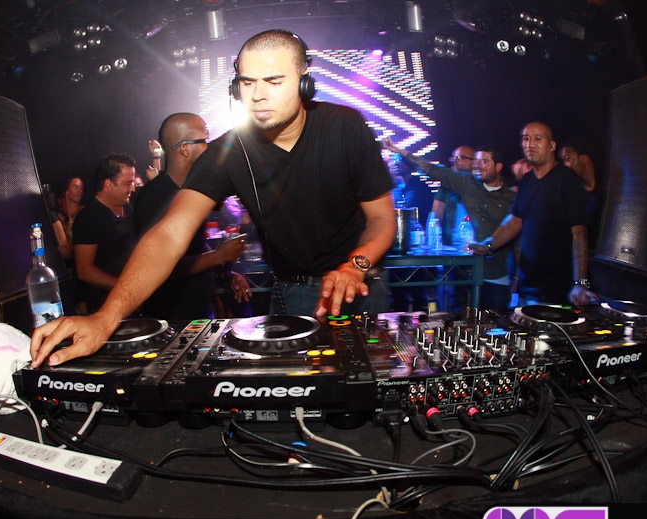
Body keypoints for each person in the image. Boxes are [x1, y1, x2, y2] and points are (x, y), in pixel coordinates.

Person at [31, 29, 395, 367]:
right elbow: (168, 234)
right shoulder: (228, 152)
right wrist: (106, 316)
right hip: (292, 289)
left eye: (273, 81)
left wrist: (355, 265)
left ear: (304, 83)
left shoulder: (344, 127)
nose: (258, 95)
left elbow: (381, 218)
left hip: (360, 285)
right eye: (247, 82)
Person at [133, 112, 251, 319]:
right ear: (185, 149)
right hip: (173, 317)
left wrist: (225, 274)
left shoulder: (191, 193)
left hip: (199, 310)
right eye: (205, 140)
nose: (210, 148)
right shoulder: (155, 196)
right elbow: (158, 264)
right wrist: (219, 256)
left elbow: (194, 250)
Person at [468, 122, 598, 306]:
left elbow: (579, 233)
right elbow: (515, 221)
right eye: (526, 139)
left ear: (552, 146)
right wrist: (488, 246)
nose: (530, 144)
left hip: (556, 290)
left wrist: (580, 283)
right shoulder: (527, 181)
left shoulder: (566, 179)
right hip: (527, 288)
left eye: (538, 139)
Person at [384, 139, 516, 309]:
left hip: (496, 274)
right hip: (467, 272)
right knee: (463, 319)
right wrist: (399, 150)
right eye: (476, 161)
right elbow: (432, 169)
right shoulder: (467, 184)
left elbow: (517, 238)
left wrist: (517, 278)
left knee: (496, 321)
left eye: (485, 161)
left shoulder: (511, 198)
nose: (478, 165)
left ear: (498, 167)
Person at [71, 152, 139, 312]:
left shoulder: (127, 207)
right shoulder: (89, 217)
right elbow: (84, 271)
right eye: (127, 183)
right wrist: (123, 286)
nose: (132, 188)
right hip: (105, 306)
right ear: (108, 184)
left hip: (132, 301)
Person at [559, 138, 603, 252]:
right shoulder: (572, 190)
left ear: (583, 158)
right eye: (563, 161)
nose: (566, 165)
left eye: (568, 159)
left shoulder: (607, 185)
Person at [433, 145, 475, 245]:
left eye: (461, 158)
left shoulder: (481, 185)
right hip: (451, 246)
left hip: (476, 244)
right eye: (454, 158)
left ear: (474, 162)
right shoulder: (446, 185)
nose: (455, 161)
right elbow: (436, 218)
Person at [50, 176, 84, 261]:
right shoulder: (56, 216)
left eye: (81, 188)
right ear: (66, 190)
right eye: (75, 187)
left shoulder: (85, 213)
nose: (80, 190)